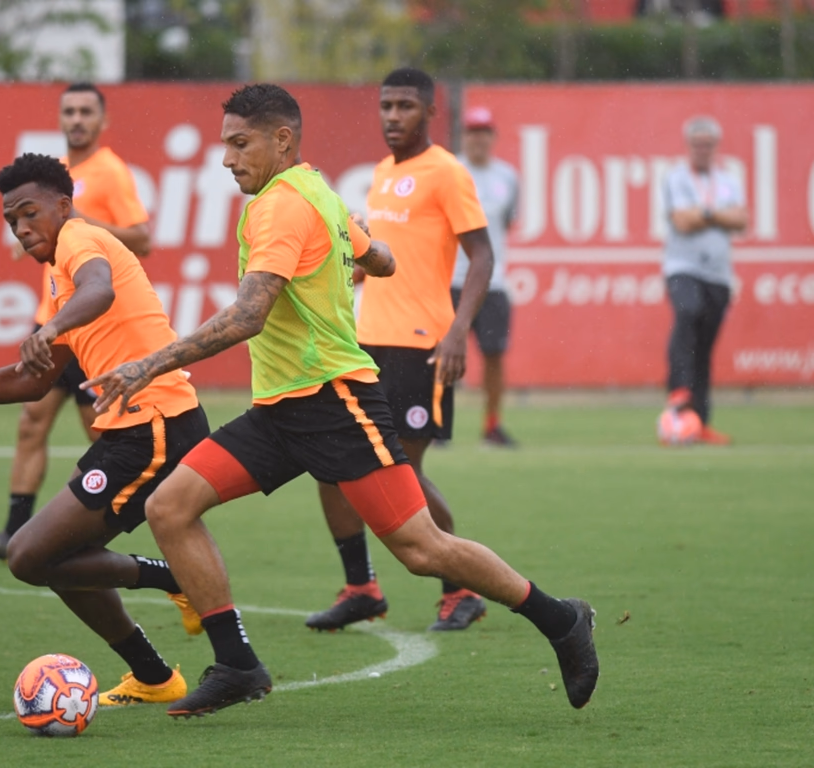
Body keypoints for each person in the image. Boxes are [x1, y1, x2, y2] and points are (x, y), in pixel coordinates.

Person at [83, 83, 599, 718]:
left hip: (335, 402)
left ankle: (560, 619)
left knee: (420, 549)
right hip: (279, 411)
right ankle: (238, 665)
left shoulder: (281, 206)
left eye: (240, 144)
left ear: (283, 140)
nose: (227, 159)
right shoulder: (315, 190)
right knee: (171, 506)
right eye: (225, 145)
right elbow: (377, 254)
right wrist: (358, 258)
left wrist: (151, 362)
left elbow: (248, 315)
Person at [0, 153, 206, 708]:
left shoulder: (80, 240)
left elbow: (99, 289)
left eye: (29, 213)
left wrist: (52, 324)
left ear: (63, 204)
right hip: (131, 429)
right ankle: (154, 677)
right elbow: (29, 383)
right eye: (12, 221)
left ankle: (175, 577)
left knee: (31, 556)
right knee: (54, 559)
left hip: (155, 423)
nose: (22, 227)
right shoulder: (58, 275)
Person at [307, 68, 495, 634]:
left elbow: (482, 256)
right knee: (332, 466)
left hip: (423, 345)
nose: (392, 116)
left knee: (403, 474)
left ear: (431, 112)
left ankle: (461, 589)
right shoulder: (384, 174)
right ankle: (361, 586)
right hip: (365, 344)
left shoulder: (447, 172)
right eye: (386, 105)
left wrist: (459, 331)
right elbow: (387, 261)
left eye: (405, 106)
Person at [0, 82, 152, 559]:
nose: (77, 119)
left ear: (103, 120)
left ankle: (116, 520)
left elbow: (142, 239)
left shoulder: (110, 172)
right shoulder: (54, 177)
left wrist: (77, 221)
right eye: (69, 110)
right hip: (52, 318)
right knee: (31, 422)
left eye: (87, 111)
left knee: (106, 436)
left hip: (89, 328)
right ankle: (13, 531)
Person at [662, 115, 746, 444]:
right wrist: (717, 215)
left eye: (707, 144)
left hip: (719, 273)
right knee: (687, 311)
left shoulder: (728, 181)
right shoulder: (676, 178)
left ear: (715, 147)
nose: (702, 150)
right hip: (682, 266)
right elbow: (682, 222)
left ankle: (701, 420)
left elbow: (741, 220)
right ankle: (679, 392)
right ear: (688, 146)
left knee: (705, 344)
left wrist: (705, 213)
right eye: (697, 144)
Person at [450, 105, 520, 448]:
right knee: (442, 354)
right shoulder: (450, 171)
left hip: (493, 283)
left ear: (493, 137)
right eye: (473, 132)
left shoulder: (507, 176)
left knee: (494, 355)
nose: (478, 139)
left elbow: (506, 223)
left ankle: (492, 425)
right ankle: (435, 425)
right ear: (465, 137)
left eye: (484, 132)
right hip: (451, 279)